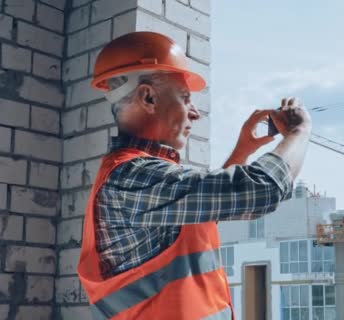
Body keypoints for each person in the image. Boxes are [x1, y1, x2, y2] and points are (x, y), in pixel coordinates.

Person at [77, 32, 311, 320]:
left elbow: (201, 214)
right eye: (185, 98)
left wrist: (241, 151)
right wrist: (300, 132)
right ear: (148, 97)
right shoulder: (133, 178)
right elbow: (262, 190)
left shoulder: (139, 178)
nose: (195, 113)